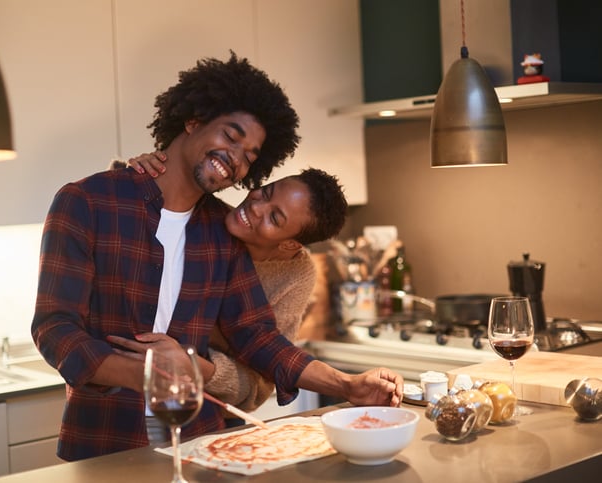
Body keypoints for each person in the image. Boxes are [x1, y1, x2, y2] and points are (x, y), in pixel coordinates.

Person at [32, 52, 403, 462]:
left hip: (200, 443)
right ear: (194, 120)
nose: (236, 158)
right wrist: (149, 376)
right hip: (102, 440)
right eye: (231, 135)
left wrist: (348, 385)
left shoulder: (222, 230)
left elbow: (258, 336)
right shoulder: (86, 202)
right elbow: (55, 331)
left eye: (249, 155)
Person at [119, 153, 347, 419]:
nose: (256, 207)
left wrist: (195, 367)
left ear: (290, 245)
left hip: (208, 415)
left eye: (275, 218)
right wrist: (140, 171)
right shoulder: (204, 217)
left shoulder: (297, 273)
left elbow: (259, 384)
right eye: (266, 192)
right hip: (129, 392)